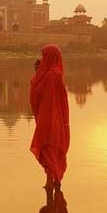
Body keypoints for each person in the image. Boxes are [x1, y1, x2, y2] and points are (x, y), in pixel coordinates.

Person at [30, 44, 70, 190]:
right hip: (57, 119)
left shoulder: (49, 76)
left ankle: (50, 182)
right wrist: (37, 72)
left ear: (49, 57)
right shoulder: (56, 74)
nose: (42, 58)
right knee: (52, 148)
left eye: (43, 56)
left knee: (48, 148)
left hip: (48, 119)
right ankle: (56, 180)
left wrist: (36, 75)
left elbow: (38, 93)